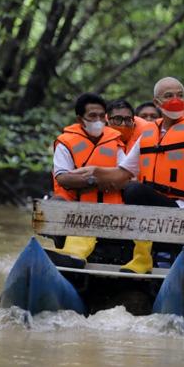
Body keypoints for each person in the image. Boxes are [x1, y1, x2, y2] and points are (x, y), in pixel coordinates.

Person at [74, 77, 184, 273]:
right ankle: (136, 257)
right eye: (169, 95)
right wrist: (95, 172)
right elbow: (122, 173)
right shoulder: (148, 133)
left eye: (180, 95)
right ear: (157, 102)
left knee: (134, 190)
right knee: (129, 191)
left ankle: (144, 258)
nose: (176, 100)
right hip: (153, 213)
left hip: (182, 213)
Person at [51, 92, 125, 268]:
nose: (98, 120)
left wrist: (88, 180)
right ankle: (71, 257)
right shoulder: (65, 142)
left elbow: (125, 177)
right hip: (75, 208)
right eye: (92, 116)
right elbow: (63, 178)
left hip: (112, 210)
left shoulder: (115, 141)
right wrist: (99, 181)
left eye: (101, 116)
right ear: (80, 119)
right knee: (56, 204)